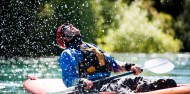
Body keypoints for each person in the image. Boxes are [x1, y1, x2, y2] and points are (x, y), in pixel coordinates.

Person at [56, 22, 177, 94]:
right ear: (64, 38)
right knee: (120, 88)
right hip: (93, 88)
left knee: (139, 81)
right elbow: (68, 79)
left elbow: (113, 64)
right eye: (66, 28)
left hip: (110, 82)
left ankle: (157, 87)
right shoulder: (67, 54)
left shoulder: (91, 47)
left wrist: (129, 66)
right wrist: (81, 82)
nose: (71, 26)